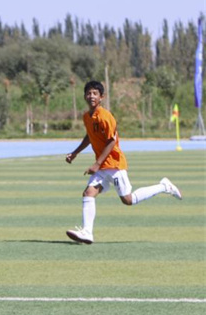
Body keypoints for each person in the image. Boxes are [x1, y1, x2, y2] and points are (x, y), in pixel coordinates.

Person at [65, 80, 182, 244]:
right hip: (102, 166)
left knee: (128, 200)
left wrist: (97, 163)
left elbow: (111, 141)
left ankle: (164, 186)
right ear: (84, 96)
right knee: (88, 193)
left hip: (114, 164)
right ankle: (87, 233)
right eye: (88, 93)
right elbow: (90, 137)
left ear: (101, 97)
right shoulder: (86, 117)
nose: (91, 96)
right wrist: (75, 152)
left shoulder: (106, 117)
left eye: (95, 93)